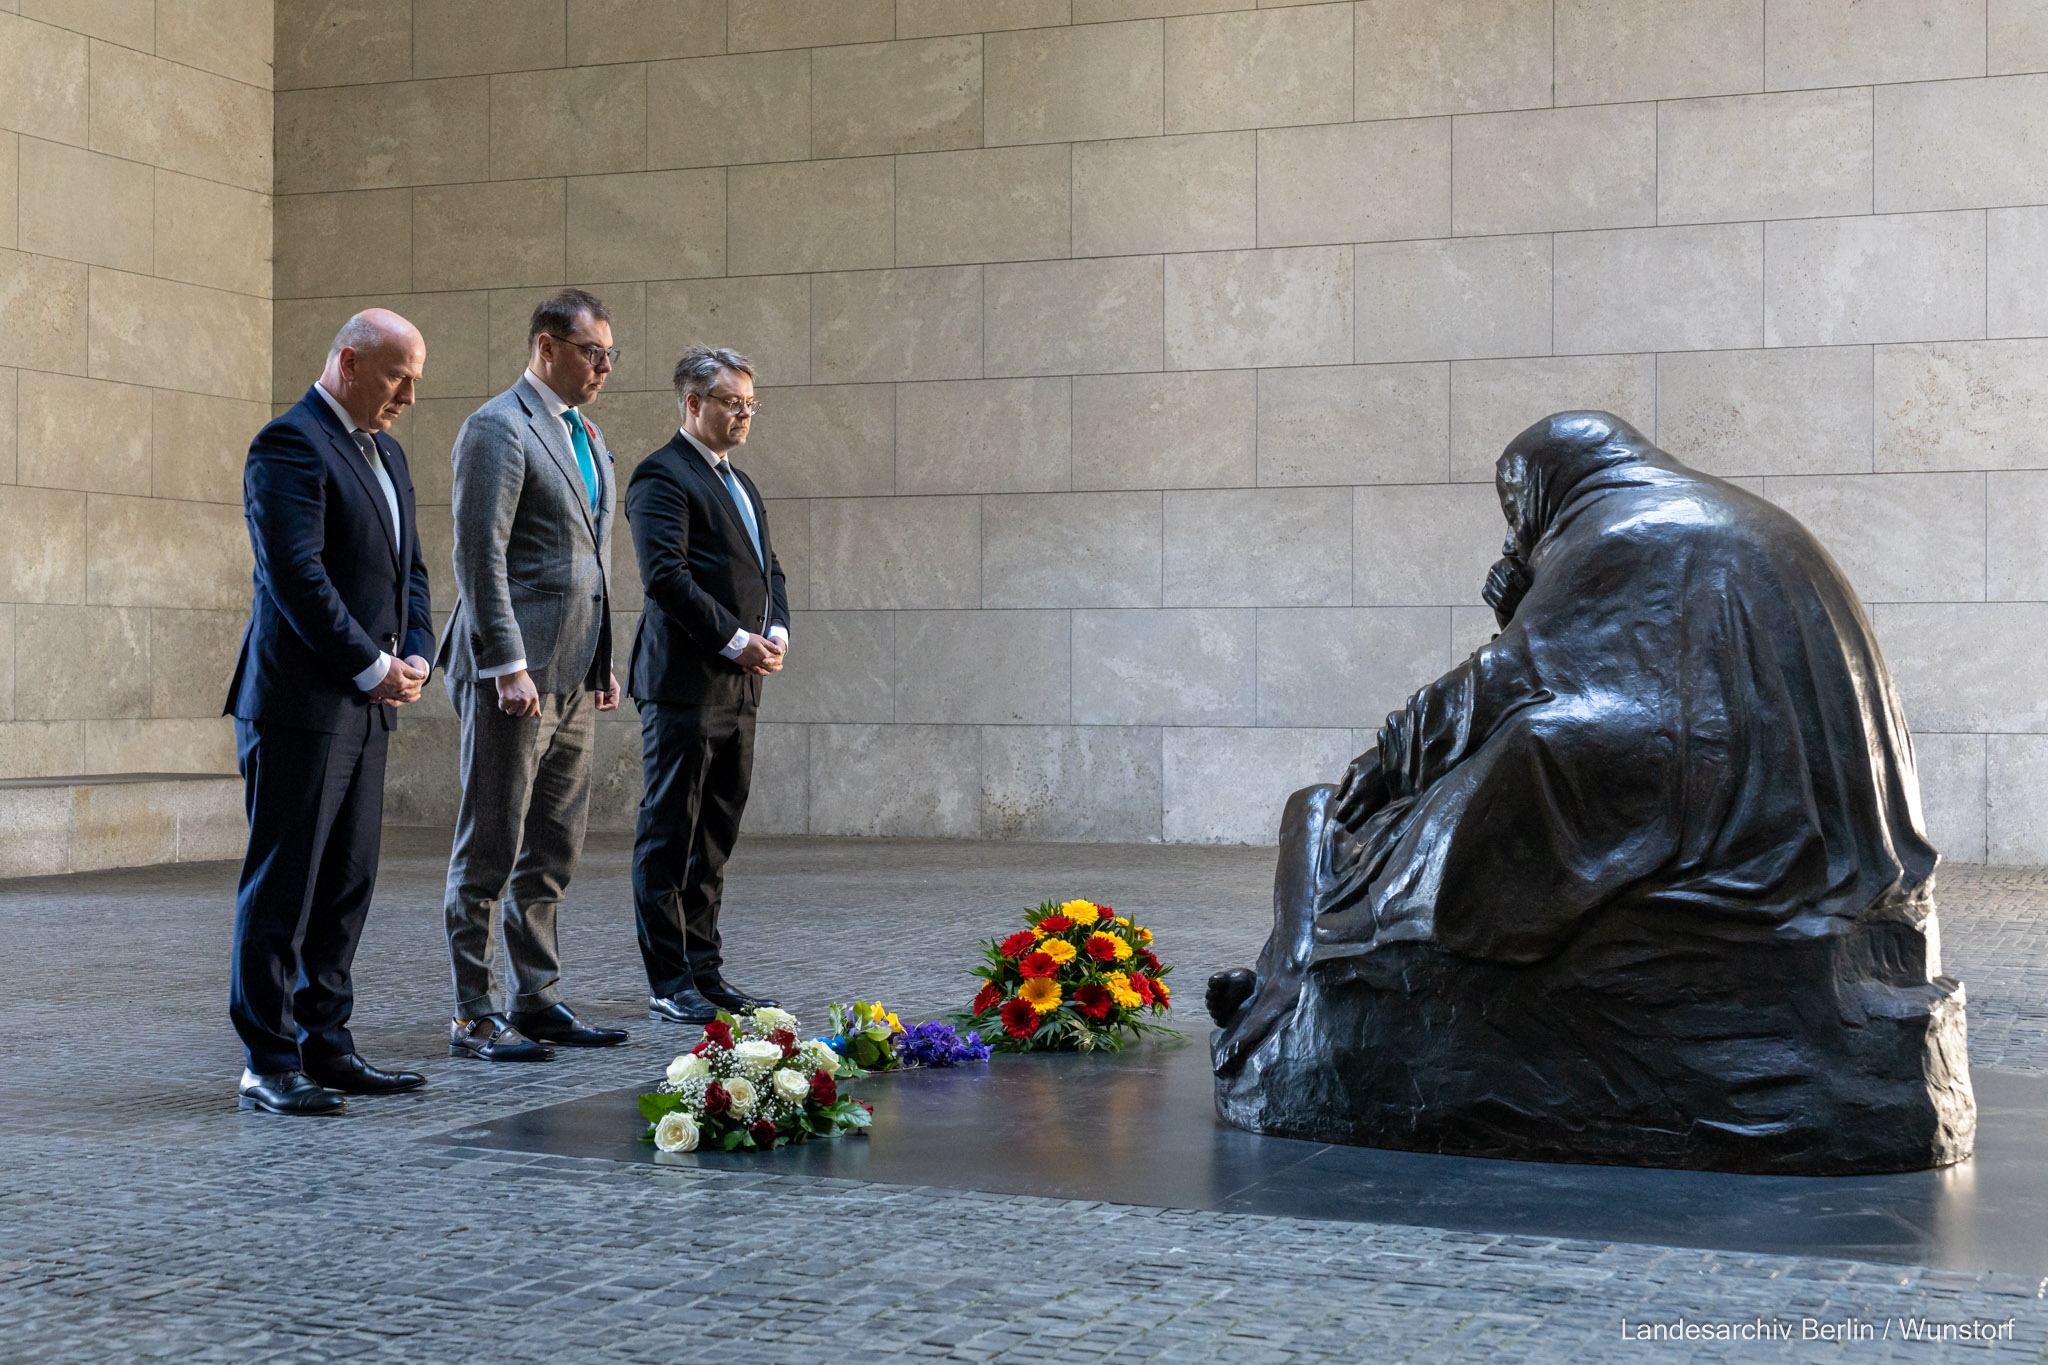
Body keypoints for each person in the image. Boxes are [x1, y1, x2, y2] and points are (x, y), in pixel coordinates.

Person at [1206, 412, 1972, 1173]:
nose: (1513, 541)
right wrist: (1523, 608)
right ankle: (1307, 957)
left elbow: (1504, 683)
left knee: (1508, 764)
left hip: (1727, 812)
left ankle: (1324, 953)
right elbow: (1595, 660)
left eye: (1517, 517)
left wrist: (1386, 759)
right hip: (1808, 823)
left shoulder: (1616, 532)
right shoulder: (1704, 513)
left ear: (1549, 490)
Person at [223, 309, 435, 1116]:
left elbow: (410, 571)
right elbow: (295, 575)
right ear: (347, 362)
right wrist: (372, 663)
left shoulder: (385, 453)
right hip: (301, 704)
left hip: (369, 698)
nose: (409, 395)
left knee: (346, 882)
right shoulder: (290, 443)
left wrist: (415, 652)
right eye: (396, 376)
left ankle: (328, 1044)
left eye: (415, 378)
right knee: (286, 886)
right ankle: (268, 1059)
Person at [435, 289, 629, 1063]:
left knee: (553, 846)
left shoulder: (586, 434)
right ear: (546, 348)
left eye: (610, 356)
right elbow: (479, 555)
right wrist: (506, 664)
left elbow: (592, 563)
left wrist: (604, 660)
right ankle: (475, 1013)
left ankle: (537, 998)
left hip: (575, 672)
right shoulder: (496, 427)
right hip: (513, 676)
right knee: (491, 843)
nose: (604, 368)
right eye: (592, 353)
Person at [626, 346, 788, 1025]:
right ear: (693, 404)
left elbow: (770, 570)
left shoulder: (741, 483)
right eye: (731, 402)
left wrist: (776, 631)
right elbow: (666, 578)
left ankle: (706, 969)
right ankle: (669, 978)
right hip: (684, 684)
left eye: (750, 402)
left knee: (715, 834)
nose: (744, 413)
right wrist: (734, 637)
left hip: (741, 683)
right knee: (672, 832)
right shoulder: (661, 476)